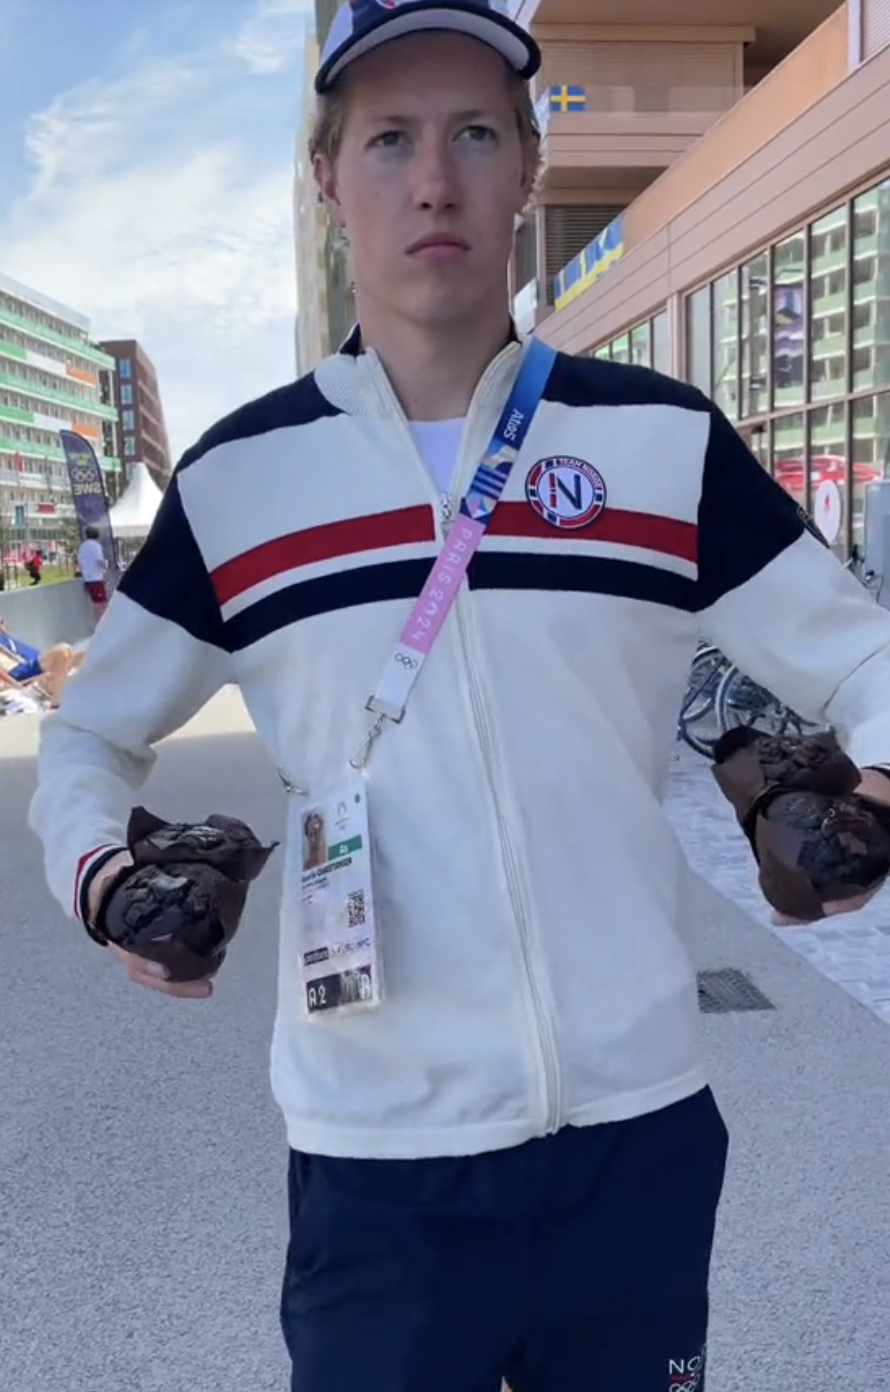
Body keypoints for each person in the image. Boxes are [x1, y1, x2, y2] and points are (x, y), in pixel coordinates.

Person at [27, 2, 890, 1388]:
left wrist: (874, 787)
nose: (433, 179)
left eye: (475, 133)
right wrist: (101, 882)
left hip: (635, 1132)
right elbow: (91, 731)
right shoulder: (243, 482)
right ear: (329, 183)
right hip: (377, 1165)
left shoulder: (656, 444)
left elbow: (861, 653)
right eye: (388, 139)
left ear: (526, 171)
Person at [76, 524, 110, 623]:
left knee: (98, 603)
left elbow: (80, 561)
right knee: (100, 604)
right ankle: (100, 625)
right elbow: (100, 560)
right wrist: (106, 568)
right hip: (96, 578)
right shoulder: (95, 545)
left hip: (87, 578)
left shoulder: (82, 546)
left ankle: (100, 624)